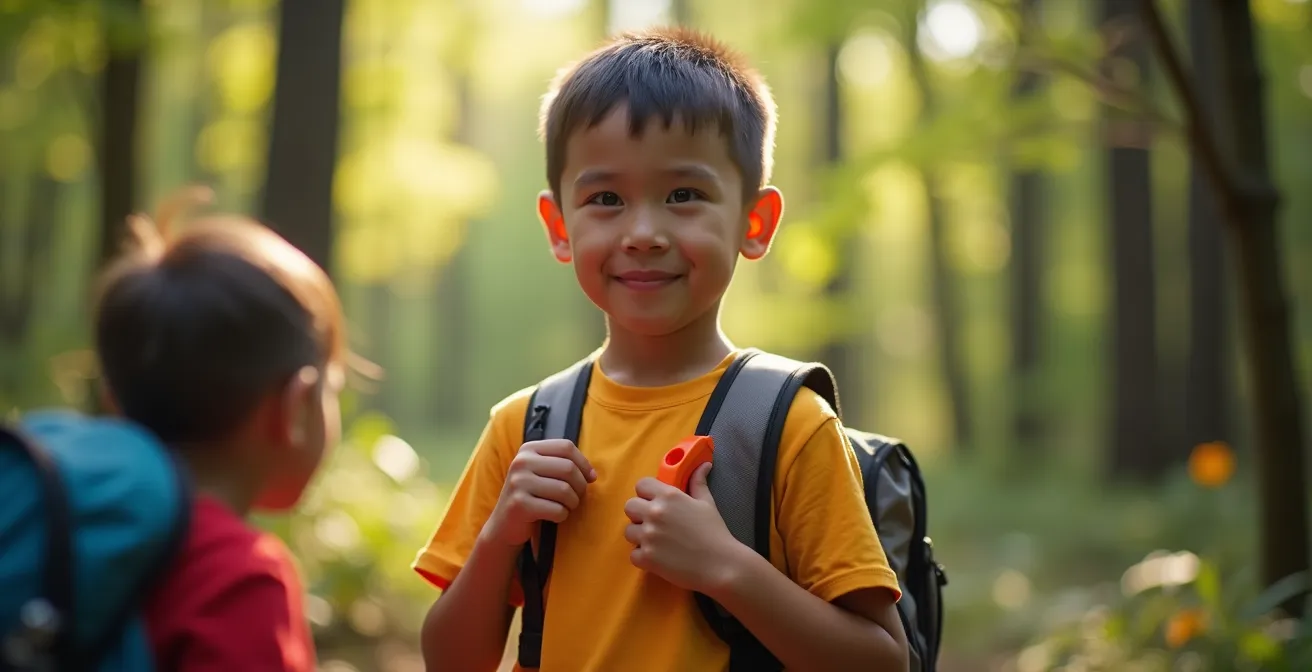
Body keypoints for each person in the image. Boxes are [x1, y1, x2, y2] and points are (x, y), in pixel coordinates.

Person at [413, 27, 910, 671]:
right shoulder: (524, 428)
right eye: (605, 199)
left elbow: (882, 661)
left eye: (684, 195)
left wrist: (726, 567)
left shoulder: (790, 426)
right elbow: (450, 662)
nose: (643, 233)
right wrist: (499, 537)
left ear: (753, 224)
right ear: (559, 227)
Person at [93, 189, 344, 671]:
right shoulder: (238, 579)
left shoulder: (72, 526)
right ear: (296, 406)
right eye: (331, 387)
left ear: (114, 404)